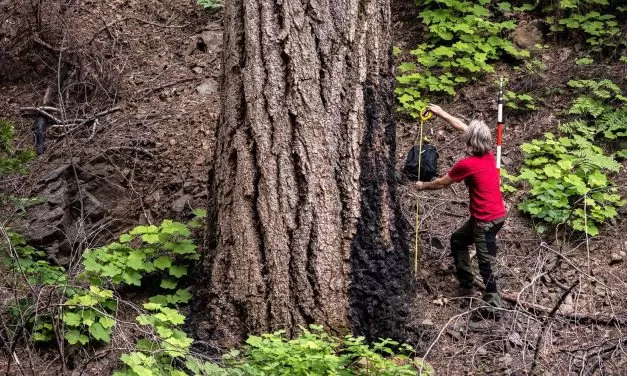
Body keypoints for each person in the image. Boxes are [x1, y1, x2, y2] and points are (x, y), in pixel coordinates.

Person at [415, 104, 506, 317]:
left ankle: (494, 308)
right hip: (490, 216)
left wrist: (423, 186)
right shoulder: (488, 154)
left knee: (486, 264)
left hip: (486, 221)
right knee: (458, 241)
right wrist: (441, 112)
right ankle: (466, 286)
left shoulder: (467, 164)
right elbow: (463, 128)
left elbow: (441, 183)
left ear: (471, 142)